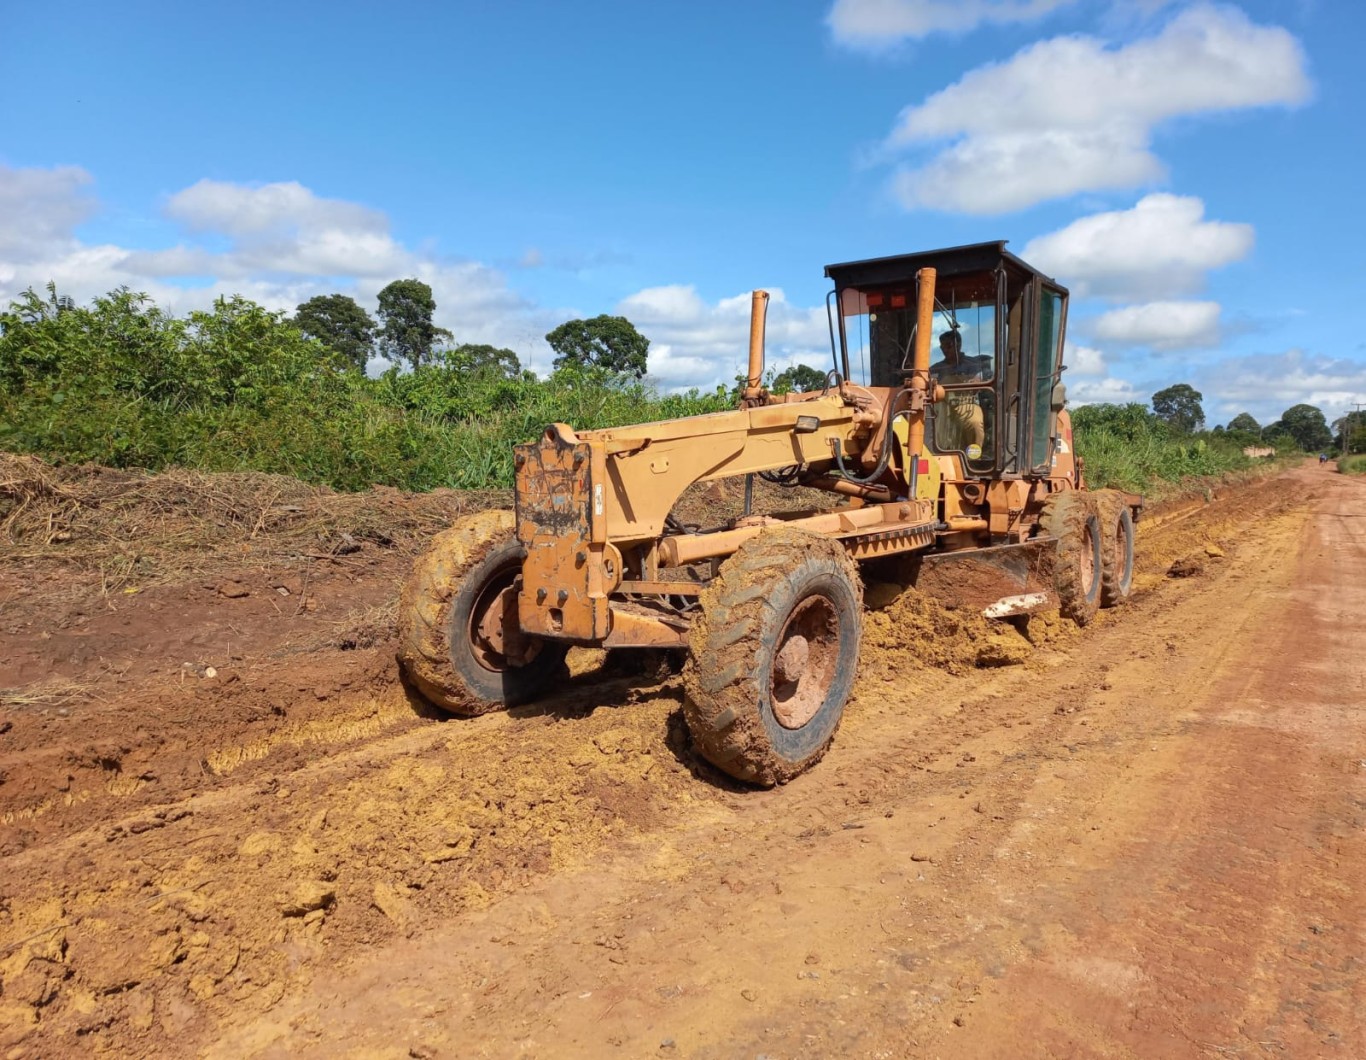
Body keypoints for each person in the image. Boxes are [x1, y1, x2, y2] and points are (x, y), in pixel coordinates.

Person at [930, 330, 992, 457]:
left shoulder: (973, 365)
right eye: (943, 347)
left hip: (965, 403)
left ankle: (973, 458)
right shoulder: (936, 368)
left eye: (949, 346)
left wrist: (972, 381)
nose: (945, 350)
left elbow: (978, 384)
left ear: (958, 345)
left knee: (974, 423)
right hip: (941, 406)